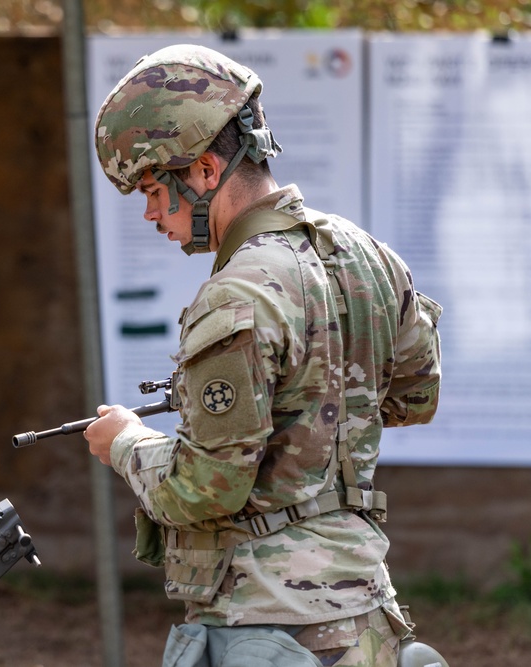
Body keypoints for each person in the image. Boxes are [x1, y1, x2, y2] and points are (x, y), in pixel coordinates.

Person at [84, 44, 444, 667]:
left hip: (270, 628)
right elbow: (416, 399)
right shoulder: (370, 257)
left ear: (201, 171)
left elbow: (206, 489)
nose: (148, 214)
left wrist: (125, 442)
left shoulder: (237, 294)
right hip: (367, 624)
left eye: (150, 188)